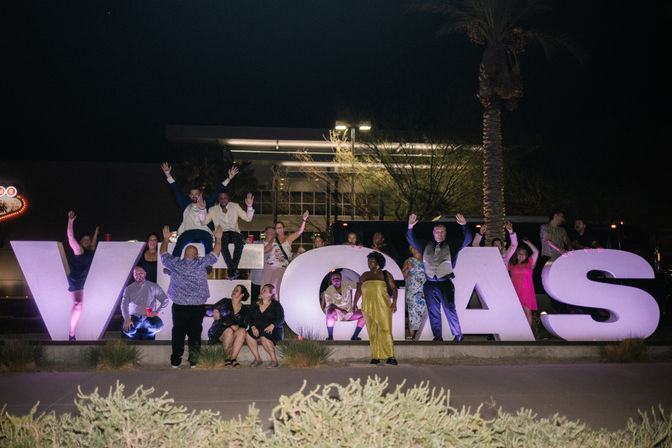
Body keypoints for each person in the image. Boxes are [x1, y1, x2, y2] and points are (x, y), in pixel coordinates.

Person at [160, 223, 223, 368]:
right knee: (195, 334)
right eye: (197, 254)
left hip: (179, 307)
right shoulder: (201, 263)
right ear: (195, 255)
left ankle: (175, 361)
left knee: (178, 334)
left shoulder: (175, 263)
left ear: (184, 255)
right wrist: (218, 239)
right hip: (196, 307)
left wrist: (165, 239)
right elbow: (215, 253)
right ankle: (193, 361)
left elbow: (163, 254)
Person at [406, 213, 473, 342]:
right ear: (433, 232)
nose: (440, 234)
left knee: (449, 309)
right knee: (433, 311)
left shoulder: (452, 244)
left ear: (445, 233)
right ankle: (437, 336)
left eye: (442, 232)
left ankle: (458, 335)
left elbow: (468, 239)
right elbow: (411, 239)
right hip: (430, 283)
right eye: (438, 231)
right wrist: (410, 227)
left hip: (445, 282)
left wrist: (464, 225)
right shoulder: (425, 244)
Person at [161, 162, 238, 257]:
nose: (194, 196)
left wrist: (229, 178)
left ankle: (207, 265)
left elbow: (217, 191)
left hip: (204, 231)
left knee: (208, 242)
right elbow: (176, 190)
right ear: (189, 196)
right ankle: (173, 264)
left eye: (196, 194)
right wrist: (168, 174)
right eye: (192, 194)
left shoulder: (207, 203)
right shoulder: (185, 204)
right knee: (180, 242)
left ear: (200, 194)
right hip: (188, 232)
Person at [353, 252, 398, 365]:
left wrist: (394, 302)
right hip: (367, 307)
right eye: (369, 261)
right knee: (372, 332)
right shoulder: (364, 275)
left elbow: (394, 289)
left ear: (378, 262)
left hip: (383, 306)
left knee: (386, 330)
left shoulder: (385, 274)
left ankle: (390, 356)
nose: (370, 263)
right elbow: (359, 290)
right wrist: (354, 303)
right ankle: (375, 356)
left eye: (372, 261)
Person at [66, 210, 100, 341]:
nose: (87, 241)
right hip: (77, 280)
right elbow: (70, 237)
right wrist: (70, 222)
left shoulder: (90, 250)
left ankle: (72, 333)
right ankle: (72, 333)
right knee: (78, 304)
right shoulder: (78, 250)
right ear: (80, 242)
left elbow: (94, 242)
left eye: (88, 239)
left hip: (88, 280)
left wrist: (96, 233)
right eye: (84, 239)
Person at [261, 211, 309, 300]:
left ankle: (275, 309)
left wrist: (304, 220)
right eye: (277, 228)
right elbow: (263, 251)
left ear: (283, 228)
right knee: (264, 289)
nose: (278, 229)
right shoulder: (273, 240)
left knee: (276, 290)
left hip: (281, 268)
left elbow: (300, 231)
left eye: (280, 227)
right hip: (269, 267)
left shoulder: (288, 239)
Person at [206, 191, 254, 279]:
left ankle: (231, 270)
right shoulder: (213, 210)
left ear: (228, 198)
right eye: (221, 198)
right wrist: (202, 210)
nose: (223, 200)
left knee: (240, 240)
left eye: (225, 198)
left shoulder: (235, 206)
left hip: (234, 232)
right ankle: (233, 270)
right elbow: (203, 222)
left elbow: (248, 218)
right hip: (222, 233)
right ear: (218, 199)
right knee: (222, 243)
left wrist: (249, 206)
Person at [207, 284, 250, 368]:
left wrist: (238, 326)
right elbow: (208, 311)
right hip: (219, 331)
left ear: (242, 295)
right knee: (229, 331)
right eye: (234, 289)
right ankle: (227, 358)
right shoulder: (225, 301)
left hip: (235, 334)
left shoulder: (245, 309)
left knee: (242, 331)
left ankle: (233, 358)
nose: (233, 291)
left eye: (236, 290)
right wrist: (215, 310)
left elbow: (246, 325)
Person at [121, 266, 169, 339]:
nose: (138, 275)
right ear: (133, 275)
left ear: (145, 274)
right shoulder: (129, 289)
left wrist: (158, 312)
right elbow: (124, 305)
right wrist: (127, 318)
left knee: (158, 325)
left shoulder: (153, 286)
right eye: (136, 274)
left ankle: (148, 335)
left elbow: (165, 300)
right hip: (134, 317)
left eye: (140, 273)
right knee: (127, 329)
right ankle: (134, 336)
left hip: (148, 316)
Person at [245, 284, 284, 368]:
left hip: (273, 329)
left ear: (270, 294)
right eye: (262, 290)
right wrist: (252, 326)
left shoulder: (276, 305)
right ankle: (258, 359)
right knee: (248, 335)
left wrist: (273, 325)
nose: (261, 291)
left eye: (264, 290)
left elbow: (281, 318)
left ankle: (274, 360)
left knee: (263, 337)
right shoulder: (255, 304)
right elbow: (248, 317)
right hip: (258, 329)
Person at [321, 271, 365, 341]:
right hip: (337, 314)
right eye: (333, 278)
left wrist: (355, 302)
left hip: (349, 313)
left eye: (338, 278)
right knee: (329, 312)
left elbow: (359, 285)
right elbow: (330, 305)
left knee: (364, 314)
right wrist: (341, 310)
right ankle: (330, 337)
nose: (336, 280)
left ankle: (355, 336)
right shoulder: (329, 290)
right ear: (331, 280)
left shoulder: (346, 284)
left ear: (341, 279)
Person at [508, 238, 539, 328]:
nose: (521, 256)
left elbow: (536, 251)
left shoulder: (529, 263)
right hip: (515, 291)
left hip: (526, 291)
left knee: (527, 313)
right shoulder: (511, 264)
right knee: (516, 313)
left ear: (526, 256)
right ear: (516, 255)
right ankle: (516, 332)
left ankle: (527, 335)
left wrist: (528, 242)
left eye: (524, 254)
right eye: (519, 254)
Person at [402, 245, 426, 341]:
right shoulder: (409, 260)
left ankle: (423, 332)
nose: (413, 249)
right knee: (412, 312)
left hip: (424, 289)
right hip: (412, 289)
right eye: (411, 248)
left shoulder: (426, 259)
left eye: (414, 247)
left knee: (423, 311)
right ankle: (411, 334)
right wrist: (407, 269)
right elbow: (403, 276)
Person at [250, 226, 275, 302]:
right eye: (270, 233)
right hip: (256, 279)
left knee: (268, 302)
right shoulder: (256, 243)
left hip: (270, 280)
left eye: (274, 233)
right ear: (265, 234)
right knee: (254, 301)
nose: (272, 235)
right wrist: (247, 242)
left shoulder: (277, 246)